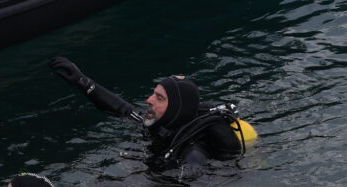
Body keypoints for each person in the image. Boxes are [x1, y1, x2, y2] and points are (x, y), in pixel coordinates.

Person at [48, 57, 253, 173]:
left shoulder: (192, 157)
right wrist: (82, 82)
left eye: (159, 98)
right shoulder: (164, 126)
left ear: (176, 109)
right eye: (153, 94)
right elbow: (123, 110)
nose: (149, 100)